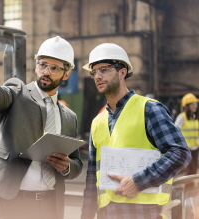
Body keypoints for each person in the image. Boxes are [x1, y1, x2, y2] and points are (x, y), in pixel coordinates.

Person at [0, 36, 83, 219]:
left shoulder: (69, 117)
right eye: (42, 64)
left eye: (54, 68)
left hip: (51, 205)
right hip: (15, 203)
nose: (46, 71)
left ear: (66, 74)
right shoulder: (18, 91)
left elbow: (77, 163)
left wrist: (67, 167)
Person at [80, 43, 192, 219]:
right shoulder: (97, 122)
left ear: (122, 71)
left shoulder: (149, 109)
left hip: (144, 213)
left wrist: (138, 181)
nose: (97, 76)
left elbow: (180, 153)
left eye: (104, 69)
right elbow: (92, 179)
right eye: (94, 72)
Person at [175, 93, 199, 175]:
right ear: (187, 106)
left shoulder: (194, 118)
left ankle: (190, 187)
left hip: (195, 148)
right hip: (187, 149)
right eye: (193, 104)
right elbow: (174, 131)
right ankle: (188, 187)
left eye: (196, 104)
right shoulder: (182, 117)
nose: (195, 106)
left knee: (194, 170)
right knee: (190, 170)